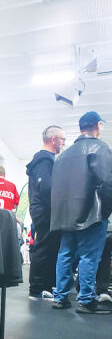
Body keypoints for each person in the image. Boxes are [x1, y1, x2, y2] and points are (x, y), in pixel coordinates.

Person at [51, 111, 112, 314]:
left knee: (65, 254)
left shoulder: (63, 155)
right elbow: (107, 182)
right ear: (98, 125)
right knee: (89, 256)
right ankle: (86, 300)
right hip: (91, 213)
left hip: (66, 214)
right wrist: (107, 209)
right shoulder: (100, 148)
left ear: (80, 128)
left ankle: (60, 297)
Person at [26, 125, 66, 300]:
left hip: (44, 209)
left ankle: (46, 286)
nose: (63, 143)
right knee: (44, 247)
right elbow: (46, 187)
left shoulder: (46, 159)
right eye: (62, 140)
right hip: (44, 210)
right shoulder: (44, 160)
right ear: (54, 139)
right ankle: (36, 288)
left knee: (50, 247)